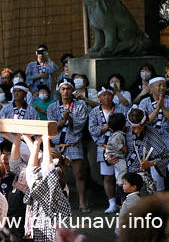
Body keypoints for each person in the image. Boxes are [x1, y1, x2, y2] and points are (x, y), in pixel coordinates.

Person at [47, 79, 89, 212]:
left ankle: (82, 202)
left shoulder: (80, 105)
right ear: (59, 90)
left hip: (74, 142)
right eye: (63, 89)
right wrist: (63, 120)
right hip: (59, 144)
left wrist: (70, 119)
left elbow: (80, 125)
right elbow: (51, 128)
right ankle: (63, 202)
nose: (65, 92)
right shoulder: (52, 107)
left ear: (73, 90)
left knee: (79, 173)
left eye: (68, 89)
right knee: (60, 175)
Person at [88, 86, 128, 214]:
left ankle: (123, 202)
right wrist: (109, 126)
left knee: (122, 176)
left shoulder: (121, 109)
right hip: (103, 148)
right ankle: (111, 203)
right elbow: (93, 130)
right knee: (108, 177)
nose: (106, 97)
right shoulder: (94, 111)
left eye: (109, 94)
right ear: (99, 98)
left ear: (113, 96)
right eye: (103, 95)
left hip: (121, 149)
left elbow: (127, 126)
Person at [138, 76, 169, 192]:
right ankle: (159, 203)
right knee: (156, 177)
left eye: (164, 85)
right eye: (159, 85)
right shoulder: (144, 102)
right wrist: (156, 110)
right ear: (151, 87)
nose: (162, 87)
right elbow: (143, 122)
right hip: (153, 142)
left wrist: (162, 107)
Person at [115, 172, 143, 237]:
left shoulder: (133, 199)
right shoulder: (132, 198)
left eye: (125, 184)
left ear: (133, 187)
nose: (123, 185)